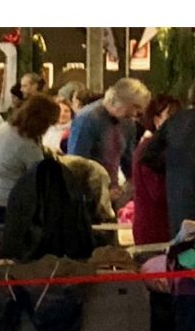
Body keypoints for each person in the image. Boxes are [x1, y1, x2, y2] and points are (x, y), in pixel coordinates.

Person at [0, 93, 60, 215]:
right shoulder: (27, 144)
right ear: (41, 122)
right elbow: (41, 177)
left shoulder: (4, 128)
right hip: (2, 204)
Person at [68, 78, 150, 207]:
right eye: (134, 106)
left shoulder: (128, 124)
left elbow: (128, 161)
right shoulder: (87, 119)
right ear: (119, 101)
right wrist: (100, 192)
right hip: (87, 197)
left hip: (113, 193)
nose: (135, 113)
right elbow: (77, 164)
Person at [136, 89, 189, 242]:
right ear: (156, 119)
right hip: (155, 228)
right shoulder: (149, 149)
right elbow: (158, 194)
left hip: (170, 224)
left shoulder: (165, 146)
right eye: (170, 117)